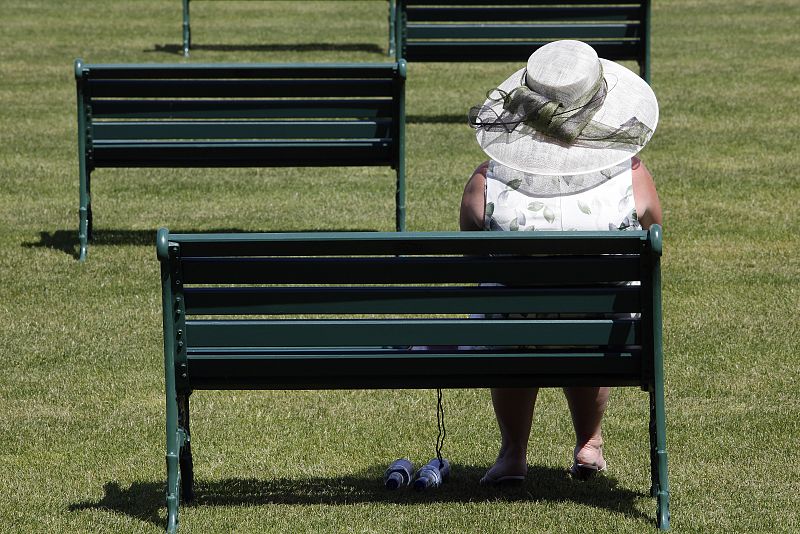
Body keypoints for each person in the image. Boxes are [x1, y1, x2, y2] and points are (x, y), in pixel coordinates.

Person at [460, 40, 662, 485]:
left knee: (510, 314)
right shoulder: (632, 180)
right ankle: (589, 443)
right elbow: (655, 237)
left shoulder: (485, 184)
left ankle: (513, 454)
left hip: (511, 336)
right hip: (604, 339)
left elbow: (471, 258)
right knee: (591, 309)